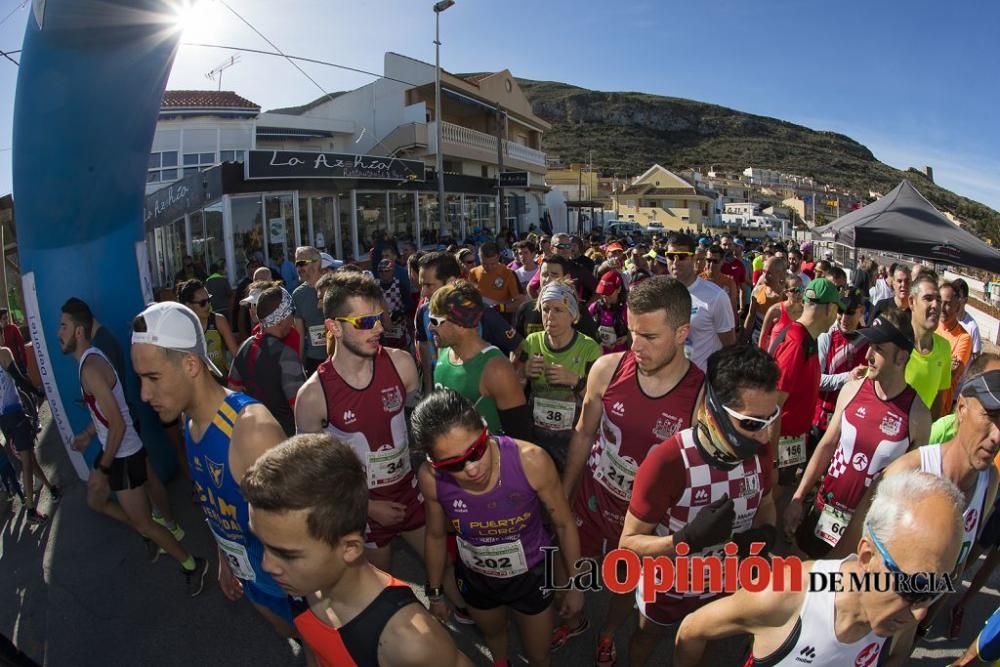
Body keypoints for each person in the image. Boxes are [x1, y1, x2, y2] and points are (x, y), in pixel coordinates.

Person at [674, 470, 966, 667]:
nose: (921, 613)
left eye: (936, 589)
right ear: (866, 556)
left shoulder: (902, 612)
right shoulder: (786, 594)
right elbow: (691, 631)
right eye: (911, 588)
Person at [559, 276, 703, 665]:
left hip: (643, 521)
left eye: (650, 337)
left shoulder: (701, 397)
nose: (635, 346)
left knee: (623, 580)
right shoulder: (607, 369)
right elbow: (584, 432)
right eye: (632, 332)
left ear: (682, 333)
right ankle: (572, 616)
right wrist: (564, 493)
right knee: (570, 564)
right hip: (592, 497)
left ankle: (608, 632)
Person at [293, 272, 460, 604]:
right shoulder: (313, 395)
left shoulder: (401, 364)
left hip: (409, 491)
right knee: (382, 596)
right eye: (366, 321)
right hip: (361, 509)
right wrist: (369, 506)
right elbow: (313, 477)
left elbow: (418, 430)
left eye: (379, 318)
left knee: (449, 575)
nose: (380, 328)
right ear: (334, 327)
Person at [131, 301, 295, 636]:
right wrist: (224, 558)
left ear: (191, 364)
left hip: (289, 588)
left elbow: (302, 532)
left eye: (153, 378)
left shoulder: (251, 431)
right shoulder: (189, 422)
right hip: (251, 579)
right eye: (140, 379)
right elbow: (215, 503)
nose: (144, 394)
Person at [242, 434, 474, 667]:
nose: (266, 565)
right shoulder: (305, 584)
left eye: (286, 554)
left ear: (350, 548)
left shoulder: (412, 644)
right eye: (262, 543)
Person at [620, 344, 779, 665]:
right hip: (668, 584)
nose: (765, 435)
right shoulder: (668, 461)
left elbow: (767, 504)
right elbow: (628, 543)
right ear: (715, 409)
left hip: (726, 581)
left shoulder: (761, 452)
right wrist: (685, 540)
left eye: (771, 418)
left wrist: (764, 535)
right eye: (751, 423)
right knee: (647, 637)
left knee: (704, 643)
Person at [414, 390, 584, 667]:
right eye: (453, 464)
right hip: (477, 578)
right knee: (494, 637)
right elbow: (434, 535)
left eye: (477, 450)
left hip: (532, 574)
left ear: (485, 429)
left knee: (539, 656)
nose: (471, 468)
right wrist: (433, 593)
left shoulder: (531, 461)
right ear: (434, 463)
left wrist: (576, 585)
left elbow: (564, 524)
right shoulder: (431, 479)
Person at [833, 369, 1000, 645]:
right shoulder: (907, 471)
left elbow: (956, 565)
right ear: (961, 408)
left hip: (906, 628)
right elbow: (847, 554)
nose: (997, 436)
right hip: (860, 625)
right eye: (991, 417)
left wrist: (923, 622)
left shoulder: (989, 481)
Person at [58, 299, 203, 586]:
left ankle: (192, 564)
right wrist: (89, 434)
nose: (57, 332)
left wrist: (102, 468)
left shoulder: (89, 367)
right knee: (98, 500)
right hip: (125, 447)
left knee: (143, 522)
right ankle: (164, 527)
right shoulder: (93, 359)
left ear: (78, 331)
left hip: (122, 452)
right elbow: (109, 412)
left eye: (63, 325)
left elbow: (117, 421)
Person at [785, 309, 929, 557]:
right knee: (801, 580)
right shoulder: (852, 390)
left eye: (879, 350)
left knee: (841, 591)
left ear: (901, 358)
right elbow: (827, 446)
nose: (869, 355)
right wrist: (798, 497)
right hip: (825, 512)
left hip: (869, 531)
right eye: (870, 346)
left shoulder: (918, 416)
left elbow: (909, 488)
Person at [515, 282, 601, 472]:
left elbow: (599, 402)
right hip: (537, 439)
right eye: (545, 309)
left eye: (558, 310)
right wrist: (523, 374)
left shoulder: (590, 349)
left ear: (573, 315)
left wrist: (575, 381)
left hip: (573, 440)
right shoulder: (531, 342)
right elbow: (514, 390)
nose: (550, 317)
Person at [429, 281, 530, 440]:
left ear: (460, 323)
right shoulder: (444, 351)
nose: (430, 327)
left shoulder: (496, 369)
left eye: (435, 321)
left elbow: (521, 438)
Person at [415, 252, 523, 396]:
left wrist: (511, 383)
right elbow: (424, 347)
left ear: (450, 282)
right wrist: (428, 389)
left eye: (429, 285)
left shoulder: (482, 313)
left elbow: (519, 347)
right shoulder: (423, 312)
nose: (423, 292)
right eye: (421, 285)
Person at [769, 278, 843, 489]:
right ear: (829, 308)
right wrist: (773, 463)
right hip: (780, 446)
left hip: (790, 444)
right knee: (775, 503)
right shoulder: (796, 343)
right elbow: (773, 405)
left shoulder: (805, 339)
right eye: (838, 309)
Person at [227, 286, 305, 437]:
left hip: (253, 434)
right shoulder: (286, 355)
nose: (292, 320)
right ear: (281, 319)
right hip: (284, 437)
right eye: (291, 313)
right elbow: (300, 408)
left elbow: (232, 393)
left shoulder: (245, 346)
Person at [0, 332, 53, 523]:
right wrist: (38, 391)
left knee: (28, 456)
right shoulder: (4, 353)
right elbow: (20, 378)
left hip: (4, 420)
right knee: (27, 461)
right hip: (15, 415)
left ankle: (50, 488)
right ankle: (31, 510)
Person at [811, 287, 870, 455]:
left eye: (850, 312)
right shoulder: (826, 336)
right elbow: (817, 380)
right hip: (822, 419)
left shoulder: (870, 340)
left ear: (861, 311)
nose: (844, 318)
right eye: (840, 311)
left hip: (852, 422)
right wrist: (847, 378)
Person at [666, 233, 735, 371]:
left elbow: (729, 347)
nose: (675, 262)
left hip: (703, 383)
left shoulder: (716, 296)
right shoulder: (661, 293)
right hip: (669, 382)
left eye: (682, 256)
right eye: (670, 256)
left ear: (693, 258)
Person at [515, 255, 599, 341]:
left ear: (566, 277)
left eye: (554, 275)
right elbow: (517, 347)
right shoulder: (525, 309)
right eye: (544, 274)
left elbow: (593, 346)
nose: (548, 279)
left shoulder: (577, 311)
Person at [905, 271, 952, 419]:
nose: (936, 305)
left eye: (938, 300)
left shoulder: (944, 348)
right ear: (912, 302)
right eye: (928, 298)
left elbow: (937, 401)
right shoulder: (894, 342)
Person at [177, 279, 238, 381]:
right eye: (202, 303)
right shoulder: (180, 328)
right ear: (188, 305)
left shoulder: (218, 320)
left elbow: (236, 354)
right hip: (196, 384)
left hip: (221, 381)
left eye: (208, 300)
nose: (207, 306)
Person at [291, 246, 328, 375]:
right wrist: (300, 364)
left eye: (302, 263)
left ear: (316, 263)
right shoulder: (298, 294)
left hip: (337, 356)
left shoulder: (332, 285)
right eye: (297, 264)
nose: (299, 268)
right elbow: (299, 333)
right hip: (314, 359)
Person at [938, 280, 973, 410]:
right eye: (940, 302)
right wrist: (945, 361)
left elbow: (951, 375)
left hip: (940, 409)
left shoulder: (964, 338)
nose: (942, 308)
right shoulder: (930, 326)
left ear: (957, 307)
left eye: (947, 304)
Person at [469, 241, 524, 318]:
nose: (489, 267)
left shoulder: (508, 274)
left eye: (493, 264)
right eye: (484, 263)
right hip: (478, 319)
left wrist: (501, 308)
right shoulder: (473, 272)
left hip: (501, 318)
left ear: (498, 257)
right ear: (479, 257)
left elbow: (520, 302)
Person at [744, 256, 786, 345]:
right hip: (756, 341)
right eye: (763, 272)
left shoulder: (786, 296)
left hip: (777, 344)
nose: (765, 276)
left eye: (769, 273)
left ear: (781, 274)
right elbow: (751, 317)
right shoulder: (757, 291)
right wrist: (742, 341)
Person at [758, 274, 804, 352]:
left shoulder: (806, 312)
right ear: (786, 292)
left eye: (801, 289)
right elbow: (763, 336)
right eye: (794, 290)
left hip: (795, 359)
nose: (799, 293)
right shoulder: (775, 310)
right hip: (775, 359)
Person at [589, 269, 629, 354]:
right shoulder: (595, 307)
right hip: (599, 356)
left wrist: (627, 337)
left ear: (618, 289)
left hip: (620, 357)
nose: (605, 296)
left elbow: (636, 332)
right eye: (602, 292)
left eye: (608, 292)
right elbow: (585, 328)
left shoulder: (626, 310)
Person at [702, 244, 740, 322]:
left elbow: (733, 307)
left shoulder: (729, 282)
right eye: (709, 260)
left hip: (722, 325)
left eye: (715, 261)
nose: (711, 264)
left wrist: (735, 327)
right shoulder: (698, 280)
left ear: (722, 262)